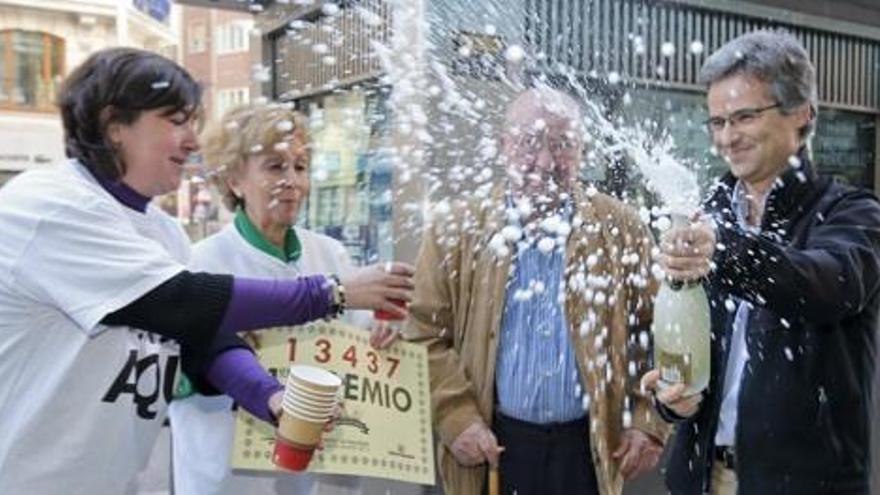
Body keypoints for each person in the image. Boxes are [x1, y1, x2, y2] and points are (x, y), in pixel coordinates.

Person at [0, 47, 413, 494]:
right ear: (114, 125)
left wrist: (270, 398)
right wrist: (332, 293)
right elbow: (186, 301)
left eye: (193, 123)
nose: (193, 141)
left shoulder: (165, 233)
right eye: (177, 120)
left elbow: (204, 339)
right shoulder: (51, 206)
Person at [642, 30, 880, 494]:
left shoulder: (853, 212)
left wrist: (723, 249)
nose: (727, 138)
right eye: (716, 122)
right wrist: (677, 399)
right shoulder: (707, 211)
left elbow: (826, 286)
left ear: (802, 114)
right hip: (703, 477)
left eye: (745, 117)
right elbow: (690, 336)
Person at [404, 86, 669, 495]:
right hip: (495, 447)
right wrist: (455, 416)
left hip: (591, 448)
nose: (545, 162)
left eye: (562, 145)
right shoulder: (455, 231)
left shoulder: (622, 228)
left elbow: (657, 331)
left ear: (582, 151)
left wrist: (649, 421)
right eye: (530, 143)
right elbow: (423, 334)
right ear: (504, 146)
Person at [169, 103, 420, 495]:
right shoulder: (202, 263)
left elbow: (359, 347)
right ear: (234, 179)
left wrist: (385, 328)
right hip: (230, 476)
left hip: (316, 474)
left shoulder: (331, 255)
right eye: (274, 166)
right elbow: (184, 372)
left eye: (300, 167)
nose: (292, 181)